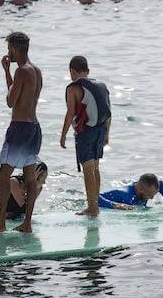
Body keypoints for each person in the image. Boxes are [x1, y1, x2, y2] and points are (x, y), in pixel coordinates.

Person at [0, 32, 43, 234]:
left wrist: (8, 73)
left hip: (19, 128)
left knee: (3, 174)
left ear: (15, 49)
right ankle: (27, 223)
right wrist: (7, 71)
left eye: (9, 49)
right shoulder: (36, 70)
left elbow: (10, 101)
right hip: (34, 127)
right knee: (30, 176)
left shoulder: (22, 71)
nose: (8, 53)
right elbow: (19, 95)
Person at [60, 56, 111, 216]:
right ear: (87, 71)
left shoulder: (73, 88)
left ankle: (92, 208)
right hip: (101, 129)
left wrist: (63, 135)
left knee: (88, 170)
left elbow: (71, 113)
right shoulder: (101, 86)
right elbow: (109, 112)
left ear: (72, 71)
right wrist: (107, 134)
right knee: (95, 168)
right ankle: (95, 204)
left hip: (86, 133)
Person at [98, 173, 163, 209]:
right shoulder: (127, 197)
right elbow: (95, 197)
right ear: (140, 189)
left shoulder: (147, 187)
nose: (152, 198)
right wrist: (115, 205)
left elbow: (161, 183)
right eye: (150, 194)